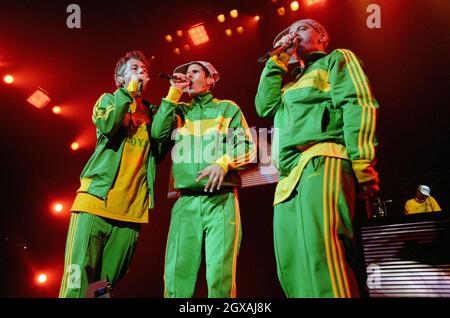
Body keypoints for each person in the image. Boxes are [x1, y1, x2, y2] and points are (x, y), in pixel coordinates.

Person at [255, 19, 380, 298]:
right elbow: (263, 106)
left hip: (324, 159)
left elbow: (358, 103)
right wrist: (275, 62)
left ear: (322, 35)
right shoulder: (288, 86)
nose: (292, 35)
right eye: (287, 33)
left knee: (322, 251)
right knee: (291, 261)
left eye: (300, 29)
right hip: (289, 177)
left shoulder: (337, 58)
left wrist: (362, 163)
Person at [59, 51, 166, 297]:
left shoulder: (153, 113)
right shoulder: (109, 100)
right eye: (135, 68)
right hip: (95, 203)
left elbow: (160, 150)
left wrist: (171, 99)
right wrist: (126, 93)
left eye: (144, 70)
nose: (142, 72)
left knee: (101, 287)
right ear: (120, 77)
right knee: (77, 280)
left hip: (131, 212)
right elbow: (108, 125)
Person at [151, 61, 255, 298]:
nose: (188, 76)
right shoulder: (179, 111)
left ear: (211, 79)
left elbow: (248, 147)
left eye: (194, 72)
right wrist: (173, 93)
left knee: (220, 274)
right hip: (185, 202)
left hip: (221, 200)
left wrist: (223, 162)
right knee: (177, 273)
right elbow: (157, 134)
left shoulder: (227, 109)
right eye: (186, 73)